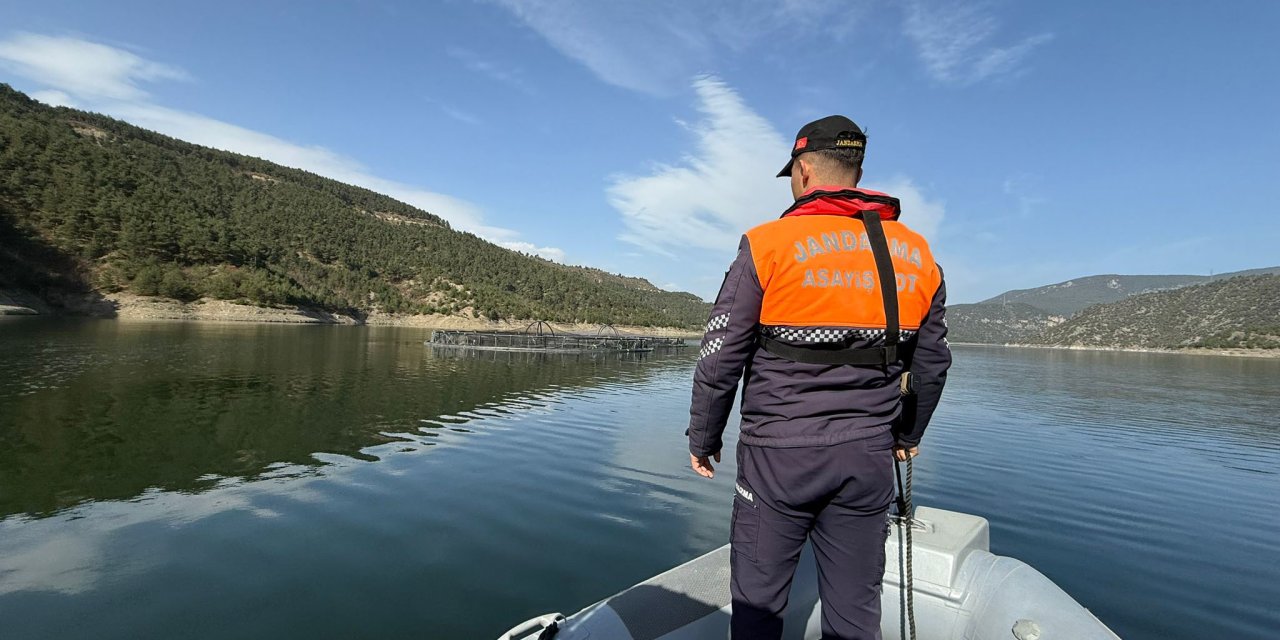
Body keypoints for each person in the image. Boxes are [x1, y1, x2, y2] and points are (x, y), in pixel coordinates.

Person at [685, 115, 951, 640]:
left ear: (804, 170)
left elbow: (720, 355)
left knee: (759, 607)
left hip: (778, 458)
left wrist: (704, 437)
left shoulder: (768, 244)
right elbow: (932, 364)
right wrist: (906, 435)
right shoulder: (919, 255)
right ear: (856, 169)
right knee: (856, 610)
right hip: (867, 456)